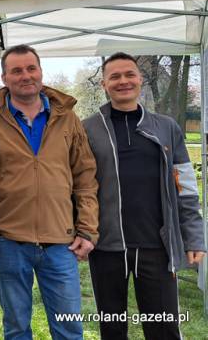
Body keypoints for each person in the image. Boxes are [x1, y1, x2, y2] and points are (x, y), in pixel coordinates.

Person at [0, 44, 98, 340]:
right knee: (16, 328)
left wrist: (87, 229)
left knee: (69, 328)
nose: (25, 76)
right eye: (16, 71)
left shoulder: (67, 119)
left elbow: (85, 176)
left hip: (61, 241)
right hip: (7, 241)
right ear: (4, 78)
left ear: (41, 71)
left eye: (31, 68)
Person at [82, 52, 206, 339]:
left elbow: (186, 188)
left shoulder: (167, 127)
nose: (123, 81)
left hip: (157, 245)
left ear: (140, 79)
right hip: (106, 246)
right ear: (103, 84)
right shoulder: (87, 129)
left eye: (129, 74)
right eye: (114, 76)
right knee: (112, 328)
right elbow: (78, 187)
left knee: (163, 328)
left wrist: (194, 237)